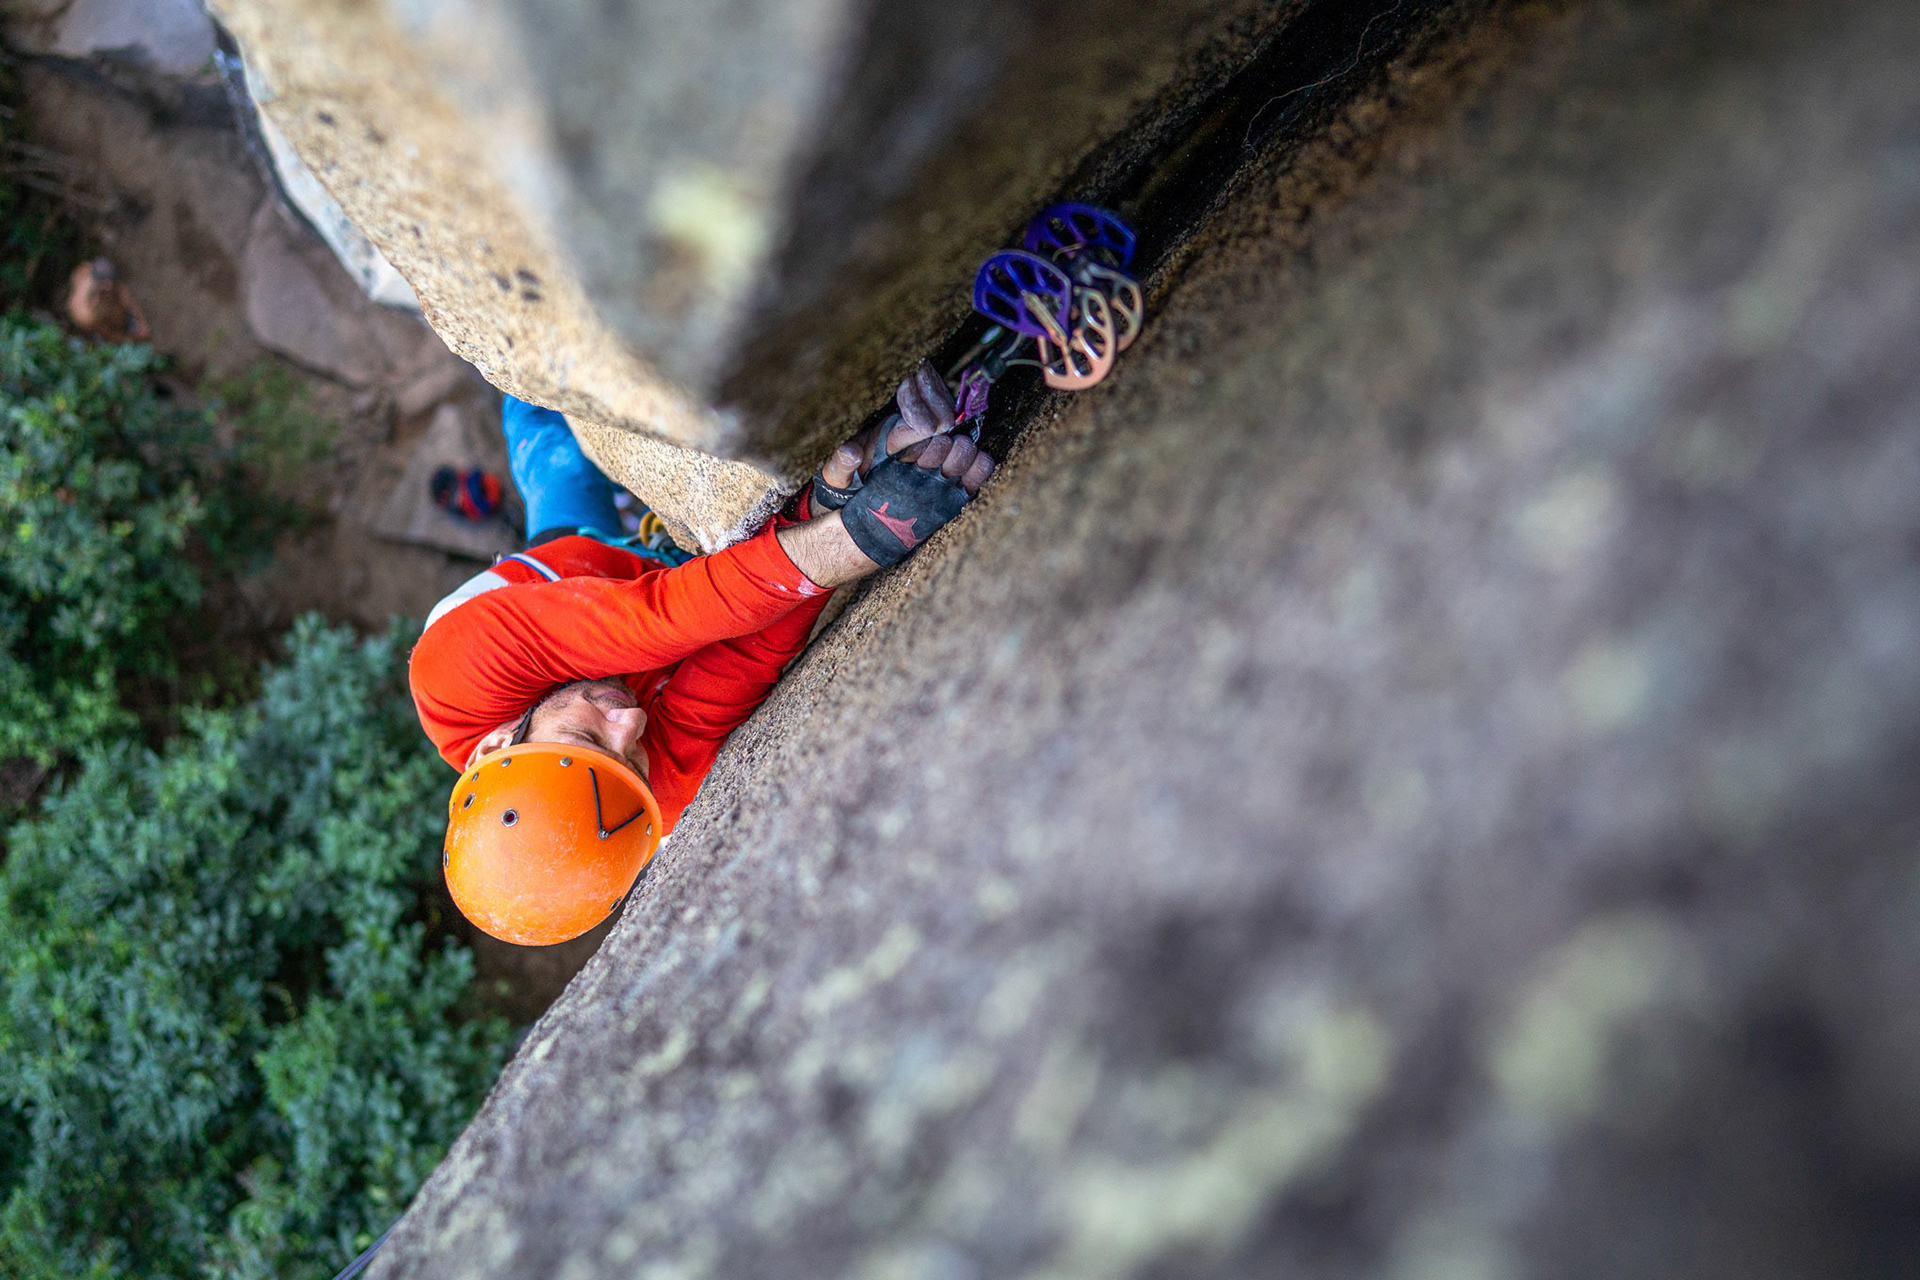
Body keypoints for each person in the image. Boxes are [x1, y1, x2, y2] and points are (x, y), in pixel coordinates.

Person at [410, 362, 992, 946]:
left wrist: (859, 536)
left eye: (587, 739)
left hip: (570, 564)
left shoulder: (450, 679)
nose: (630, 725)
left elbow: (658, 619)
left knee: (546, 431)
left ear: (496, 746)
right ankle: (504, 507)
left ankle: (508, 388)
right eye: (632, 760)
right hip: (659, 584)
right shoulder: (628, 803)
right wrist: (823, 503)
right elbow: (744, 657)